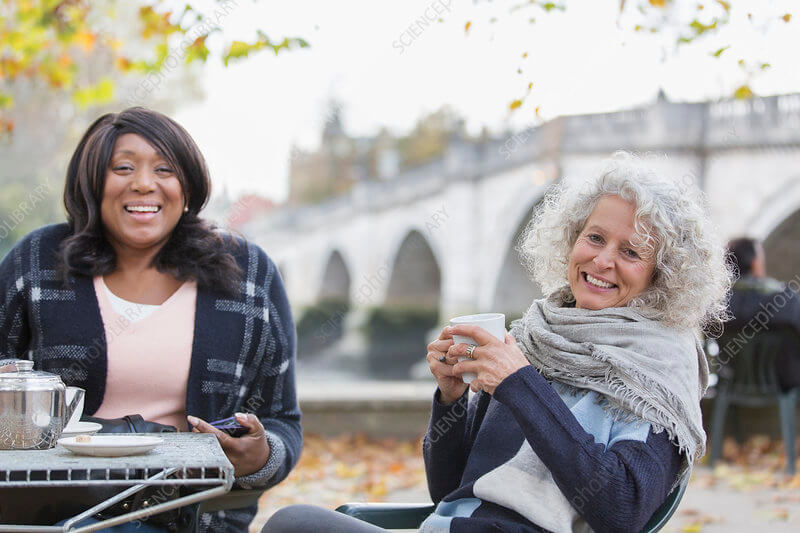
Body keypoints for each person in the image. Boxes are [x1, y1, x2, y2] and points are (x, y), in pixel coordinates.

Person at [262, 152, 732, 533]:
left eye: (630, 252)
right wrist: (450, 399)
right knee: (291, 522)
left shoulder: (656, 370)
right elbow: (449, 490)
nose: (603, 260)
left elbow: (622, 509)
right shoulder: (536, 336)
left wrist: (520, 384)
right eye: (594, 237)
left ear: (662, 274)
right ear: (571, 241)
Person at [0, 107, 301, 532]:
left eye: (165, 169)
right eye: (122, 167)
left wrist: (260, 456)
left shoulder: (248, 272)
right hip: (58, 512)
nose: (143, 183)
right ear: (92, 182)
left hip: (194, 515)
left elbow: (282, 421)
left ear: (187, 184)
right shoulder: (37, 261)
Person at [722, 237, 800, 391]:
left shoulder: (718, 306)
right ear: (755, 263)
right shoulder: (786, 301)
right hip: (784, 381)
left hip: (733, 380)